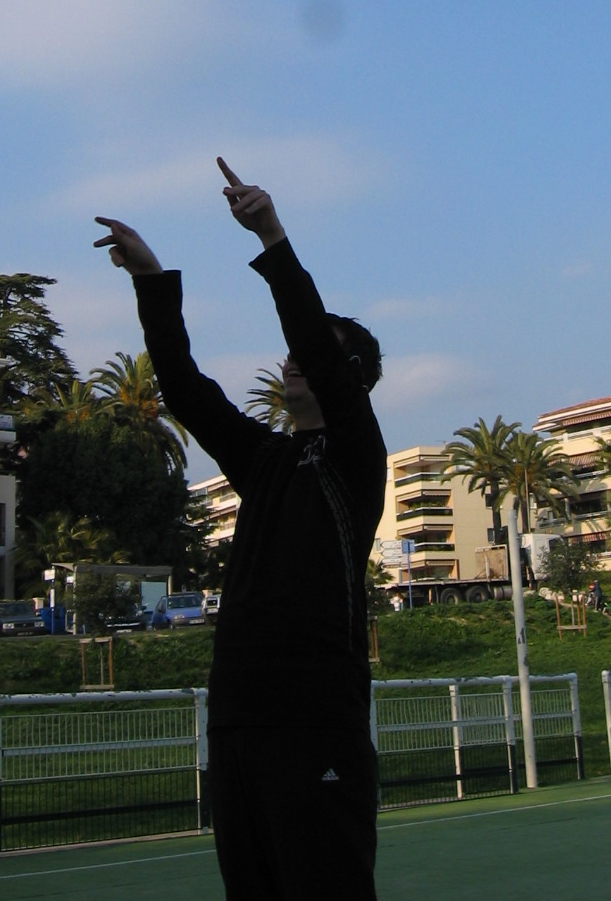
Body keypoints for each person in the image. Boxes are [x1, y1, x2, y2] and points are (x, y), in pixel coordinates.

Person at [94, 158, 387, 901]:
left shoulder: (355, 461)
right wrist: (151, 281)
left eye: (318, 349)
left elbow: (314, 340)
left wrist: (271, 233)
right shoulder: (266, 460)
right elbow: (187, 388)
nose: (293, 356)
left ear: (350, 376)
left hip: (317, 724)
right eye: (296, 347)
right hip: (238, 723)